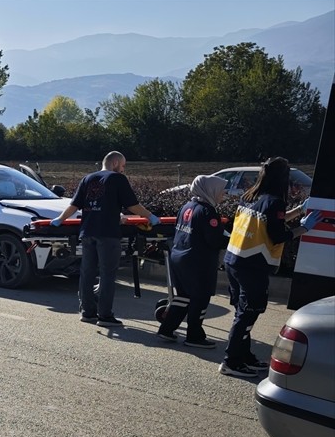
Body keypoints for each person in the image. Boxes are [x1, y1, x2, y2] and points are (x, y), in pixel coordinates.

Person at [221, 157, 321, 377]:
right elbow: (277, 236)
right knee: (248, 313)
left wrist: (297, 212)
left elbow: (269, 222)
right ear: (283, 178)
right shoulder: (275, 200)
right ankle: (231, 361)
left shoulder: (249, 195)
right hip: (252, 265)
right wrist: (304, 229)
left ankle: (244, 356)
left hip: (234, 260)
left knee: (242, 312)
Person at [49, 151, 159, 327]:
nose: (123, 170)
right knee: (107, 274)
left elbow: (75, 205)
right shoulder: (117, 179)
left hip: (87, 232)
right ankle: (105, 315)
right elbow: (132, 205)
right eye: (123, 166)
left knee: (87, 272)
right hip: (108, 234)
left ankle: (87, 312)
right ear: (115, 163)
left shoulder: (87, 179)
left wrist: (60, 219)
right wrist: (151, 216)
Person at [155, 175, 227, 348]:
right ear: (211, 190)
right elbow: (214, 240)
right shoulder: (208, 211)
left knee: (183, 296)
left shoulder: (187, 206)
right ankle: (194, 336)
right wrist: (232, 240)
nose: (224, 194)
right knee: (201, 297)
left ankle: (167, 329)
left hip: (179, 257)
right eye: (222, 190)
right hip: (198, 261)